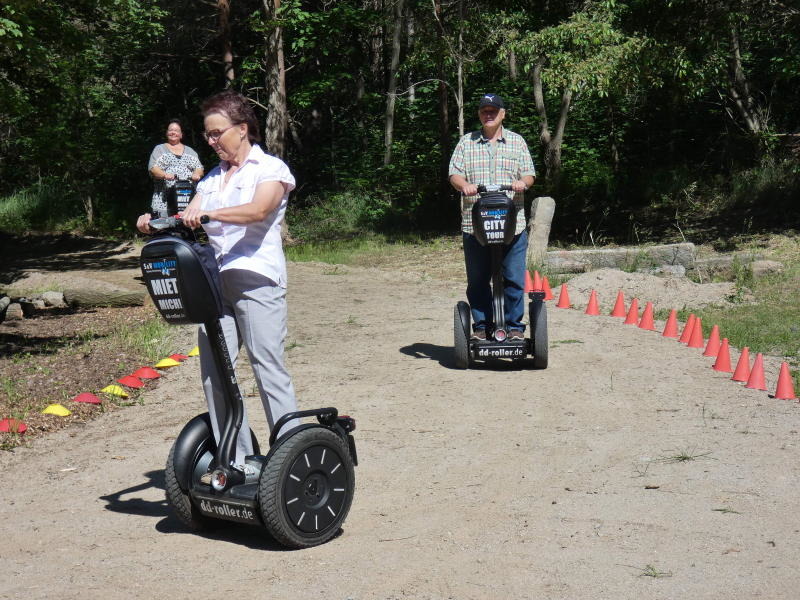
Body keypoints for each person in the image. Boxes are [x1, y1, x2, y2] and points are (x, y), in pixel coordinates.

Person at [137, 90, 299, 474]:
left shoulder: (270, 169)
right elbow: (187, 218)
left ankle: (290, 458)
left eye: (216, 133)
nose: (210, 142)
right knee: (216, 377)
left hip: (256, 278)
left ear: (242, 129)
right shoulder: (209, 180)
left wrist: (209, 213)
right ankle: (240, 460)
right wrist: (152, 222)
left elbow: (259, 209)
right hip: (214, 284)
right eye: (207, 135)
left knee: (266, 367)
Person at [448, 93, 536, 341]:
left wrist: (521, 183)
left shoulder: (517, 142)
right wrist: (464, 185)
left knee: (514, 279)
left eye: (493, 111)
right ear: (479, 114)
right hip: (474, 225)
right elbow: (454, 174)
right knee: (477, 280)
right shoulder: (466, 143)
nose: (489, 114)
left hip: (512, 224)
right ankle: (481, 327)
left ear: (503, 114)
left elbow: (529, 174)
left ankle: (515, 328)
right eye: (485, 110)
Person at [148, 119, 204, 217]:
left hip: (187, 199)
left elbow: (199, 168)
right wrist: (165, 175)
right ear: (167, 133)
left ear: (181, 134)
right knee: (165, 229)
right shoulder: (159, 149)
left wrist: (197, 174)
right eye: (170, 130)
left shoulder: (190, 151)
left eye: (176, 130)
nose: (173, 132)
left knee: (186, 229)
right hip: (164, 202)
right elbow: (153, 169)